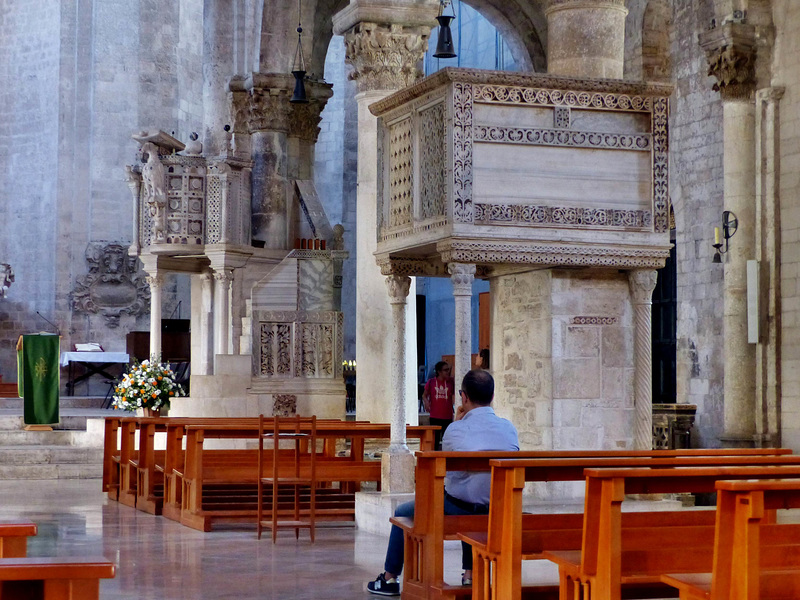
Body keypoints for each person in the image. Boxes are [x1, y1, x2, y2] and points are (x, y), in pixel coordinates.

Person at [367, 369, 519, 596]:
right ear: (492, 397)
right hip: (498, 509)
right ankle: (469, 574)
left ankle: (389, 578)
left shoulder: (454, 430)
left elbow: (451, 476)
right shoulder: (509, 428)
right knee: (475, 496)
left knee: (403, 512)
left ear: (464, 397)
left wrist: (458, 421)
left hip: (462, 508)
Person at [421, 361, 455, 450]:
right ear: (439, 372)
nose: (448, 372)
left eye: (448, 369)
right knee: (435, 441)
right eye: (445, 370)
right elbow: (424, 395)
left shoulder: (451, 382)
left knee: (447, 440)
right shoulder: (431, 382)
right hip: (435, 415)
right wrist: (426, 402)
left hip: (447, 415)